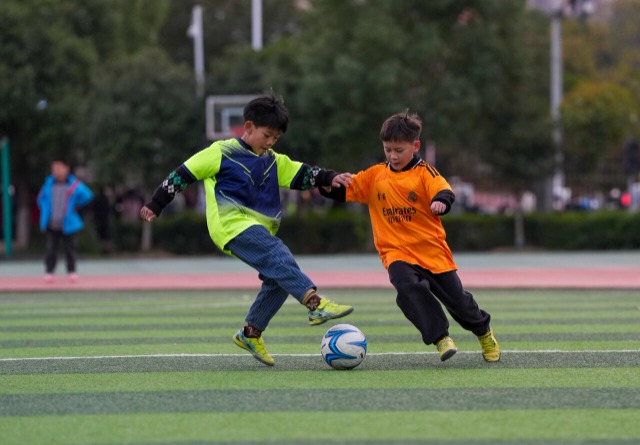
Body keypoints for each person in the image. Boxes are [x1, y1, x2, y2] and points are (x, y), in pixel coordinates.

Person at [140, 94, 354, 366]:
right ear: (249, 127)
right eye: (267, 135)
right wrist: (156, 204)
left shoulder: (273, 161)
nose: (271, 142)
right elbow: (183, 174)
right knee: (279, 254)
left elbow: (304, 174)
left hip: (258, 230)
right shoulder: (221, 152)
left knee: (278, 278)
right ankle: (315, 304)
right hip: (230, 226)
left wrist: (330, 177)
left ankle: (251, 333)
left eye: (276, 138)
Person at [320, 111, 500, 362]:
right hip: (396, 253)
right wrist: (327, 183)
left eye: (399, 150)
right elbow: (345, 190)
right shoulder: (375, 176)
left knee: (460, 303)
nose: (393, 156)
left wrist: (441, 201)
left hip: (432, 252)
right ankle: (441, 338)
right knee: (406, 288)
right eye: (388, 149)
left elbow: (443, 190)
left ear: (415, 146)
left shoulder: (425, 173)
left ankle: (484, 333)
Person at [37, 160, 94, 283]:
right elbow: (41, 199)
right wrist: (46, 211)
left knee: (70, 249)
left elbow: (87, 195)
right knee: (51, 248)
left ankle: (71, 271)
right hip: (52, 222)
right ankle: (49, 271)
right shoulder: (48, 184)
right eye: (54, 169)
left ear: (66, 169)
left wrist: (76, 204)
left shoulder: (73, 184)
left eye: (59, 168)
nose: (56, 171)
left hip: (68, 223)